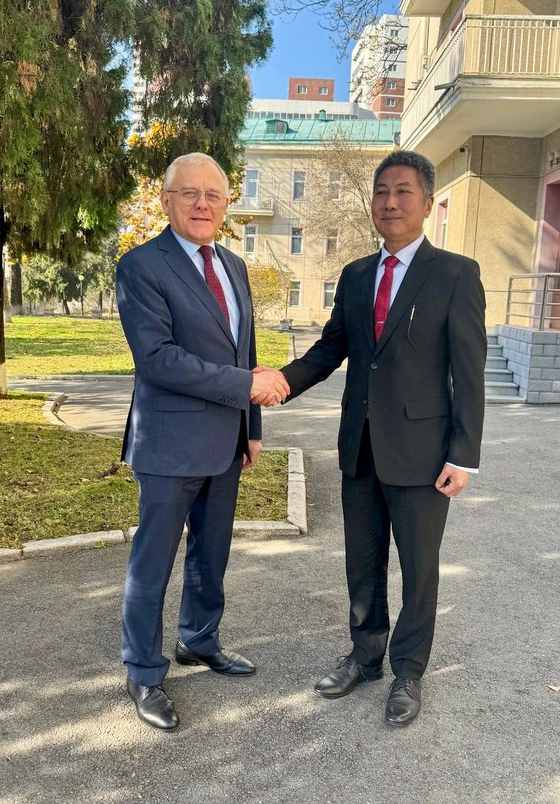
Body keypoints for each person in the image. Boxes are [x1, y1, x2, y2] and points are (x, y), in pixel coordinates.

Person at [253, 150, 486, 727]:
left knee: (419, 569)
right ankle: (366, 655)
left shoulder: (456, 274)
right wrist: (284, 380)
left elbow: (469, 371)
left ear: (428, 203)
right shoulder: (357, 276)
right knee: (362, 563)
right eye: (382, 192)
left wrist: (465, 455)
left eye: (403, 191)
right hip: (359, 447)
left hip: (424, 455)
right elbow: (334, 348)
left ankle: (409, 670)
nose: (390, 202)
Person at [116, 152, 290, 731]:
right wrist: (248, 387)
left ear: (225, 204)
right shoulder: (141, 266)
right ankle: (143, 671)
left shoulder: (234, 266)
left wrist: (252, 427)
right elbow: (158, 359)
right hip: (168, 444)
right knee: (153, 563)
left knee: (210, 554)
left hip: (226, 443)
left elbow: (245, 350)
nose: (201, 204)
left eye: (213, 195)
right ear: (166, 201)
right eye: (188, 193)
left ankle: (199, 639)